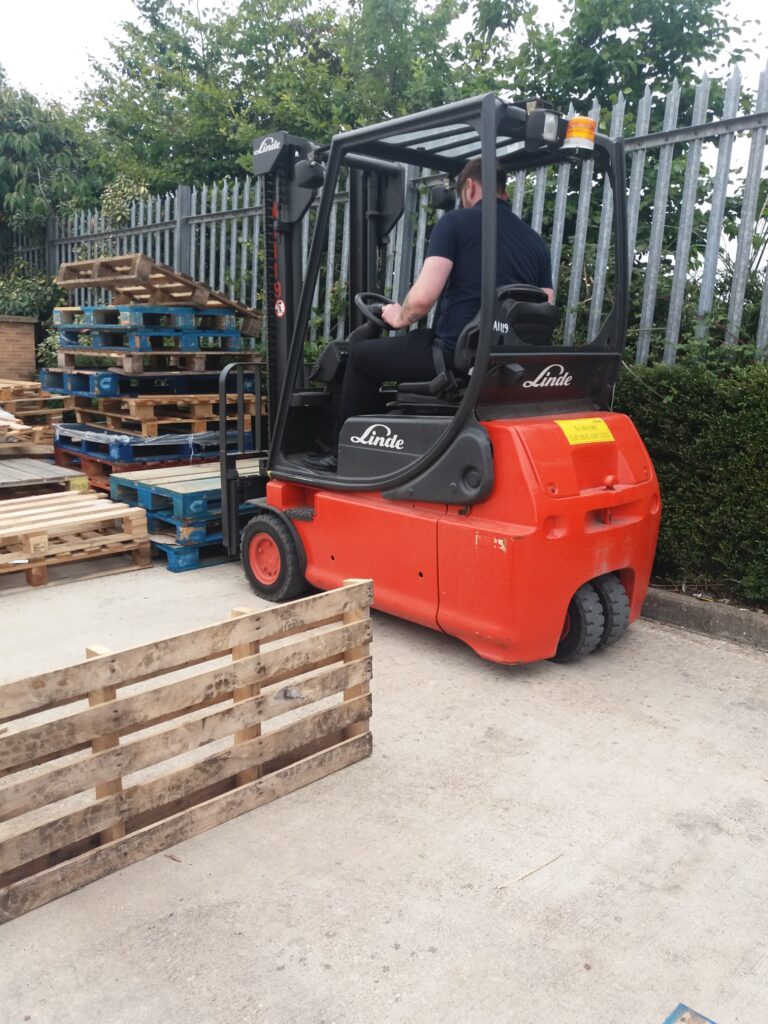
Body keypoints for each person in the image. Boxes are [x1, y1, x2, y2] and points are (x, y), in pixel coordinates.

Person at [305, 158, 554, 471]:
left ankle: (347, 455)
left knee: (360, 356)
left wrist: (398, 315)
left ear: (470, 186)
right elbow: (544, 309)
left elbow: (421, 300)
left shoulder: (455, 223)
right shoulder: (535, 243)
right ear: (503, 189)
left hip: (455, 356)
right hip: (506, 365)